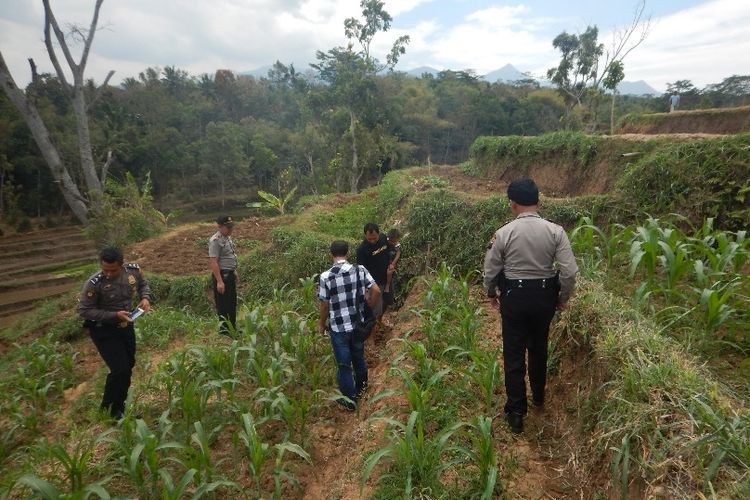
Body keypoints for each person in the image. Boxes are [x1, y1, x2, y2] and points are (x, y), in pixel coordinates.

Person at [483, 178, 578, 434]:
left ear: (512, 204)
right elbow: (568, 272)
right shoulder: (556, 231)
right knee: (539, 347)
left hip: (514, 296)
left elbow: (490, 271)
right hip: (544, 297)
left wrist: (491, 294)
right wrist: (562, 298)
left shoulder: (503, 233)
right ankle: (538, 396)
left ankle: (516, 413)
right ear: (538, 201)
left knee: (513, 353)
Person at [78, 246, 152, 420]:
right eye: (105, 270)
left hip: (126, 326)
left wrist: (145, 298)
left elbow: (143, 284)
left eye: (113, 270)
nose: (108, 273)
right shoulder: (94, 283)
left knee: (128, 366)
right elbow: (84, 310)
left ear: (122, 265)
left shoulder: (133, 272)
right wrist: (114, 315)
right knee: (120, 369)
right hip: (103, 330)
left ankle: (118, 407)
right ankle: (111, 410)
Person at [318, 240, 381, 411]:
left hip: (338, 328)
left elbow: (325, 305)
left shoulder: (325, 277)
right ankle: (361, 392)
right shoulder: (359, 270)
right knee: (359, 358)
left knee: (344, 364)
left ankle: (350, 401)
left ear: (331, 254)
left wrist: (322, 325)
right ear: (347, 253)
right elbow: (376, 290)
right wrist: (369, 307)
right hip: (357, 325)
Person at [209, 215, 239, 336]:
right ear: (220, 227)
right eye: (228, 227)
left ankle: (232, 329)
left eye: (231, 227)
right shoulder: (215, 241)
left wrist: (234, 271)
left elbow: (228, 256)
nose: (231, 229)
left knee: (232, 303)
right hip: (222, 277)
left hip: (229, 274)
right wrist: (219, 281)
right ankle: (225, 331)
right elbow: (213, 262)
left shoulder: (227, 238)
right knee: (224, 305)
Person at [356, 223, 389, 323]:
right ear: (365, 236)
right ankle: (373, 328)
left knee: (386, 302)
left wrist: (391, 263)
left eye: (375, 238)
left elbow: (389, 250)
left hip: (387, 278)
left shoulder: (383, 239)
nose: (373, 241)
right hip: (374, 283)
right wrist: (365, 289)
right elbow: (361, 270)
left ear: (379, 234)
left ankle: (380, 322)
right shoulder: (361, 250)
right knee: (375, 308)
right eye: (369, 239)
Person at [383, 228, 402, 305]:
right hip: (386, 261)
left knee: (390, 272)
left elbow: (398, 254)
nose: (392, 242)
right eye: (391, 240)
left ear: (398, 239)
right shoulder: (385, 242)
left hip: (391, 263)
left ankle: (388, 286)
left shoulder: (397, 245)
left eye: (394, 241)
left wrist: (393, 263)